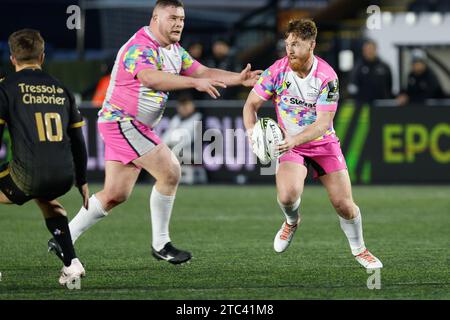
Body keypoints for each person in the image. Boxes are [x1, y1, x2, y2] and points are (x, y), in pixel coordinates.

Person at [48, 0, 261, 265]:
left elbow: (204, 70)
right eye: (172, 18)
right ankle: (161, 244)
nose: (178, 24)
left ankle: (63, 238)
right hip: (122, 122)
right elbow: (150, 78)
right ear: (155, 18)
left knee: (116, 193)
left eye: (181, 19)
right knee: (170, 170)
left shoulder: (174, 49)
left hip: (129, 124)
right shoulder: (140, 46)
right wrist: (195, 83)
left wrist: (238, 79)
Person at [243, 19, 382, 269]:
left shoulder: (327, 77)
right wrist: (252, 132)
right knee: (287, 196)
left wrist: (293, 139)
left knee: (344, 205)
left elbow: (322, 123)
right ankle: (291, 222)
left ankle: (360, 249)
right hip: (291, 145)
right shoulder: (276, 71)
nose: (290, 49)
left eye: (296, 44)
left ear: (312, 45)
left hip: (322, 143)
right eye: (287, 44)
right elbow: (250, 105)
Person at [0, 29, 89, 286]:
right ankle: (72, 265)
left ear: (12, 58)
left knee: (34, 185)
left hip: (28, 176)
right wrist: (81, 180)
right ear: (42, 56)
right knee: (49, 203)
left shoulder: (6, 88)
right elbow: (78, 140)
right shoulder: (62, 89)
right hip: (64, 175)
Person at [348, 39, 392, 105]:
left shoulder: (384, 66)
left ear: (375, 49)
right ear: (363, 51)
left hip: (381, 103)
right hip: (363, 104)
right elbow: (353, 85)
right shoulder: (357, 67)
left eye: (371, 49)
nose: (369, 51)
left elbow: (389, 85)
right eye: (367, 49)